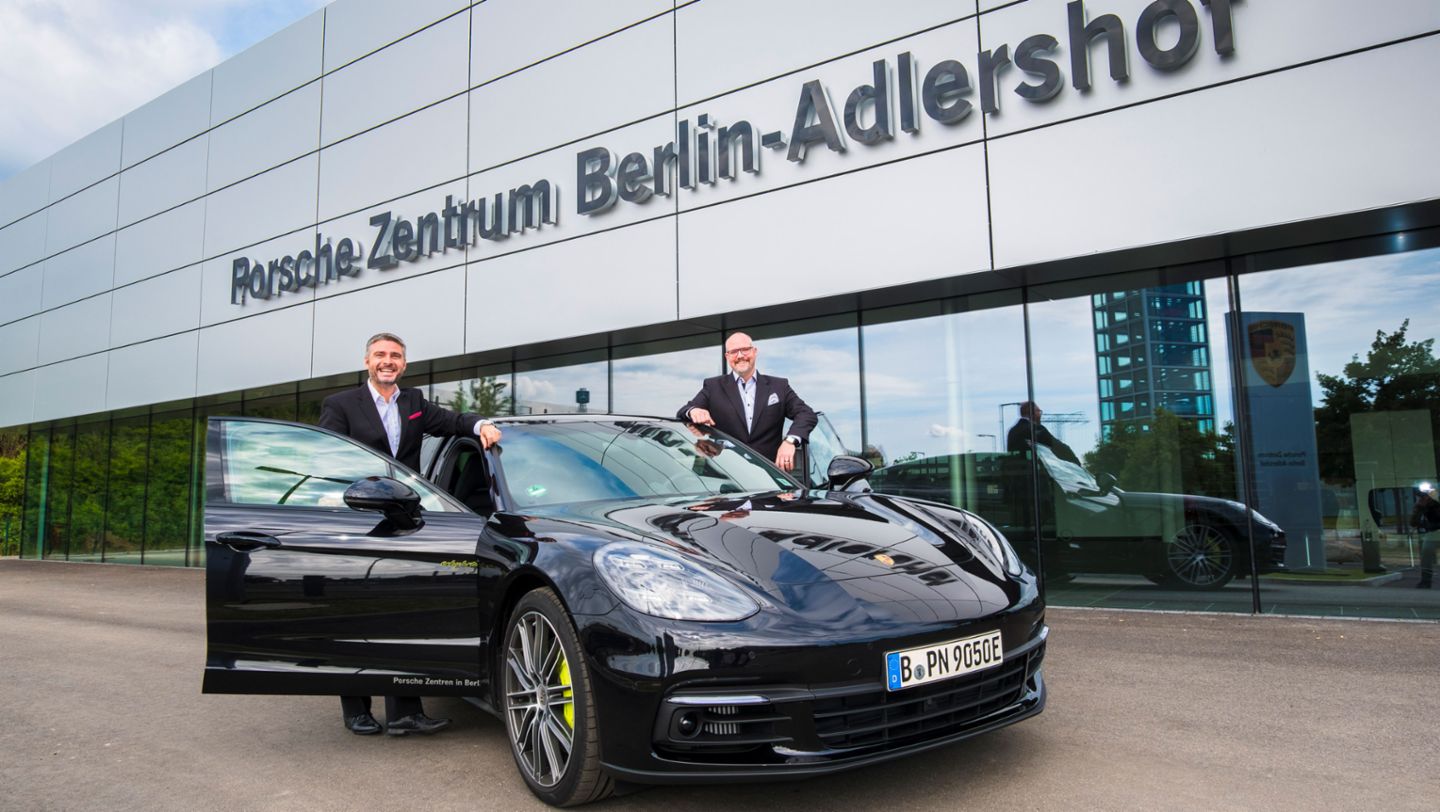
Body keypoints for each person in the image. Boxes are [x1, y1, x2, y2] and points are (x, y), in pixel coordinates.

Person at [318, 332, 502, 736]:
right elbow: (327, 456)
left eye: (395, 356)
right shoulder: (341, 404)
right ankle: (357, 710)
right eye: (380, 355)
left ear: (404, 363)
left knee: (400, 613)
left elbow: (454, 421)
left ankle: (405, 712)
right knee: (357, 615)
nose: (388, 361)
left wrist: (482, 423)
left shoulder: (414, 402)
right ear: (367, 361)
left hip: (404, 522)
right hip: (358, 518)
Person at [678, 332, 817, 472]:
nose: (740, 356)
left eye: (744, 349)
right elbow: (684, 411)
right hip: (725, 475)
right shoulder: (713, 386)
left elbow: (806, 414)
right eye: (733, 352)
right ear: (727, 356)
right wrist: (694, 411)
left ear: (754, 351)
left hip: (769, 476)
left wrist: (790, 441)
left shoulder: (779, 386)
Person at [1006, 401, 1080, 464]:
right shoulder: (1036, 429)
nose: (1040, 414)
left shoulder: (1012, 431)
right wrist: (1076, 462)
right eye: (1038, 411)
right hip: (1035, 472)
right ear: (1032, 413)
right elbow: (1058, 447)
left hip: (1014, 472)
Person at [1411, 482, 1439, 589]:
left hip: (1434, 531)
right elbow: (1413, 522)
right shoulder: (1422, 505)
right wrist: (1419, 508)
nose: (1424, 497)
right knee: (1426, 554)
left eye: (1426, 495)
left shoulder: (1436, 503)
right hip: (1433, 533)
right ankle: (1426, 580)